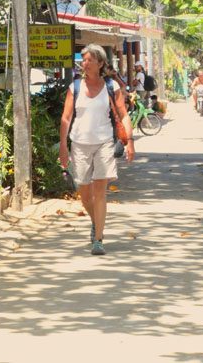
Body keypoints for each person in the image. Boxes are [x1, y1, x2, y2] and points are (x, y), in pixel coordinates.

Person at [59, 44, 134, 256]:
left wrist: (129, 141)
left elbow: (123, 115)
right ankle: (96, 221)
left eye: (90, 60)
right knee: (84, 194)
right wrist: (63, 146)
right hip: (79, 143)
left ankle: (98, 239)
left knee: (100, 192)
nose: (85, 63)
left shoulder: (112, 87)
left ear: (100, 63)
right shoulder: (75, 87)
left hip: (104, 143)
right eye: (84, 60)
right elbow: (66, 118)